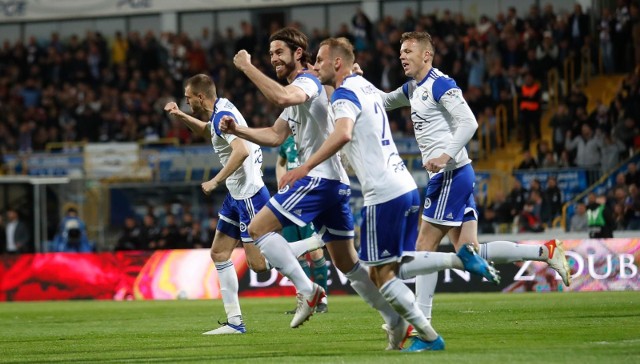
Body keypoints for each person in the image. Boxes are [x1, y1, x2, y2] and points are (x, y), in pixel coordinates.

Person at [223, 28, 490, 350]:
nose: (313, 66)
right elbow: (278, 133)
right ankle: (406, 314)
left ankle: (424, 333)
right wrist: (238, 129)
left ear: (333, 63)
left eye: (318, 60)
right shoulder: (357, 86)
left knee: (379, 273)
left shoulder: (330, 90)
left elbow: (340, 131)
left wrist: (304, 165)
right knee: (364, 264)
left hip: (358, 187)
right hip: (399, 185)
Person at [377, 31, 570, 327]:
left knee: (423, 248)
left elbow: (470, 122)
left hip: (450, 175)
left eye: (408, 51)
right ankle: (546, 252)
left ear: (426, 55)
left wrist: (444, 155)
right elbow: (382, 101)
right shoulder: (412, 89)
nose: (401, 56)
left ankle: (421, 325)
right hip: (458, 175)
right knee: (469, 251)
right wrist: (351, 83)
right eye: (400, 51)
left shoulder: (440, 84)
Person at [164, 74, 323, 334]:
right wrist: (180, 115)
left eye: (188, 98)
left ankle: (310, 243)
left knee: (258, 266)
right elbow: (206, 130)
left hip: (249, 194)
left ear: (200, 97)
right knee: (218, 254)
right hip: (236, 195)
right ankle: (235, 323)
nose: (187, 101)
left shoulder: (221, 115)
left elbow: (241, 151)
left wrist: (214, 181)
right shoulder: (219, 111)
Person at [276, 134, 329, 314]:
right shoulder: (286, 141)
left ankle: (322, 300)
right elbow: (280, 163)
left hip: (309, 202)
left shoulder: (313, 136)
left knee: (315, 252)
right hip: (289, 204)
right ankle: (307, 300)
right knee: (294, 255)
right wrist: (280, 184)